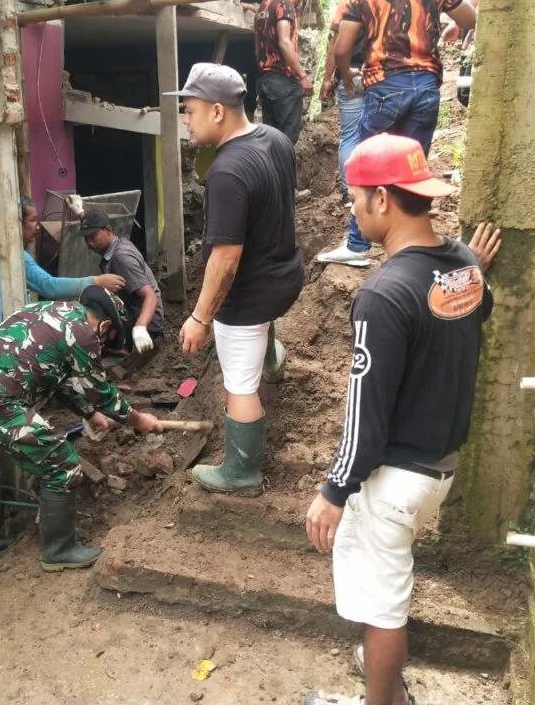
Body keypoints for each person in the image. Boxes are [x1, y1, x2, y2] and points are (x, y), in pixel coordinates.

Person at [304, 134, 495, 705]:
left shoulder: (383, 295)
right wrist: (477, 269)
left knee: (383, 607)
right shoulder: (463, 266)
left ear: (383, 199)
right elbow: (472, 306)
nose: (352, 209)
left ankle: (382, 701)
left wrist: (335, 489)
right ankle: (383, 682)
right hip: (440, 468)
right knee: (385, 596)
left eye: (356, 197)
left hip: (394, 476)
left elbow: (365, 411)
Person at [0, 286, 163, 569]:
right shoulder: (83, 332)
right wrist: (139, 420)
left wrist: (88, 414)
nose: (104, 346)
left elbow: (56, 378)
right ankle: (59, 551)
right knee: (62, 464)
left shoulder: (40, 311)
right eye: (109, 339)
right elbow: (101, 392)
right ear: (104, 325)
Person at [166, 63, 304, 495]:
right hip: (286, 274)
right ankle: (271, 356)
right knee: (262, 337)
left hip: (249, 296)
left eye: (190, 111)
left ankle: (242, 473)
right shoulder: (275, 139)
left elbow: (225, 260)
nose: (186, 121)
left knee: (239, 386)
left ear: (218, 111)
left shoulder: (227, 172)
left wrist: (201, 317)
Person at [317, 0, 477, 267]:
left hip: (385, 84)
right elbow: (469, 19)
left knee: (368, 165)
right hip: (427, 86)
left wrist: (345, 75)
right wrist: (447, 27)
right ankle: (411, 245)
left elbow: (343, 46)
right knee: (411, 167)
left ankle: (358, 245)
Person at [319, 0, 377, 211]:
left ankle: (348, 193)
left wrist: (329, 78)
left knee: (350, 135)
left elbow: (337, 45)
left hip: (350, 73)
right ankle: (374, 190)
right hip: (380, 74)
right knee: (377, 134)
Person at [81, 209, 164, 354]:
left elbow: (150, 296)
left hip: (147, 322)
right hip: (133, 312)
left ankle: (120, 347)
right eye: (86, 238)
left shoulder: (121, 258)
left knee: (93, 307)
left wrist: (140, 327)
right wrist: (81, 214)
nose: (89, 243)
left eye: (92, 237)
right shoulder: (116, 244)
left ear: (108, 230)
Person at [254, 0, 314, 145]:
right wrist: (303, 76)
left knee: (271, 140)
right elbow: (284, 42)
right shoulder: (284, 3)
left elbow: (257, 49)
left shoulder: (262, 7)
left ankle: (270, 174)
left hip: (265, 79)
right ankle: (285, 175)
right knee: (287, 140)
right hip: (282, 80)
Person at [19, 196, 125, 300]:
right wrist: (97, 282)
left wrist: (81, 214)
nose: (37, 227)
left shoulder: (124, 256)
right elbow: (50, 286)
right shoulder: (20, 257)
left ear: (109, 230)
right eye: (32, 220)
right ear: (18, 223)